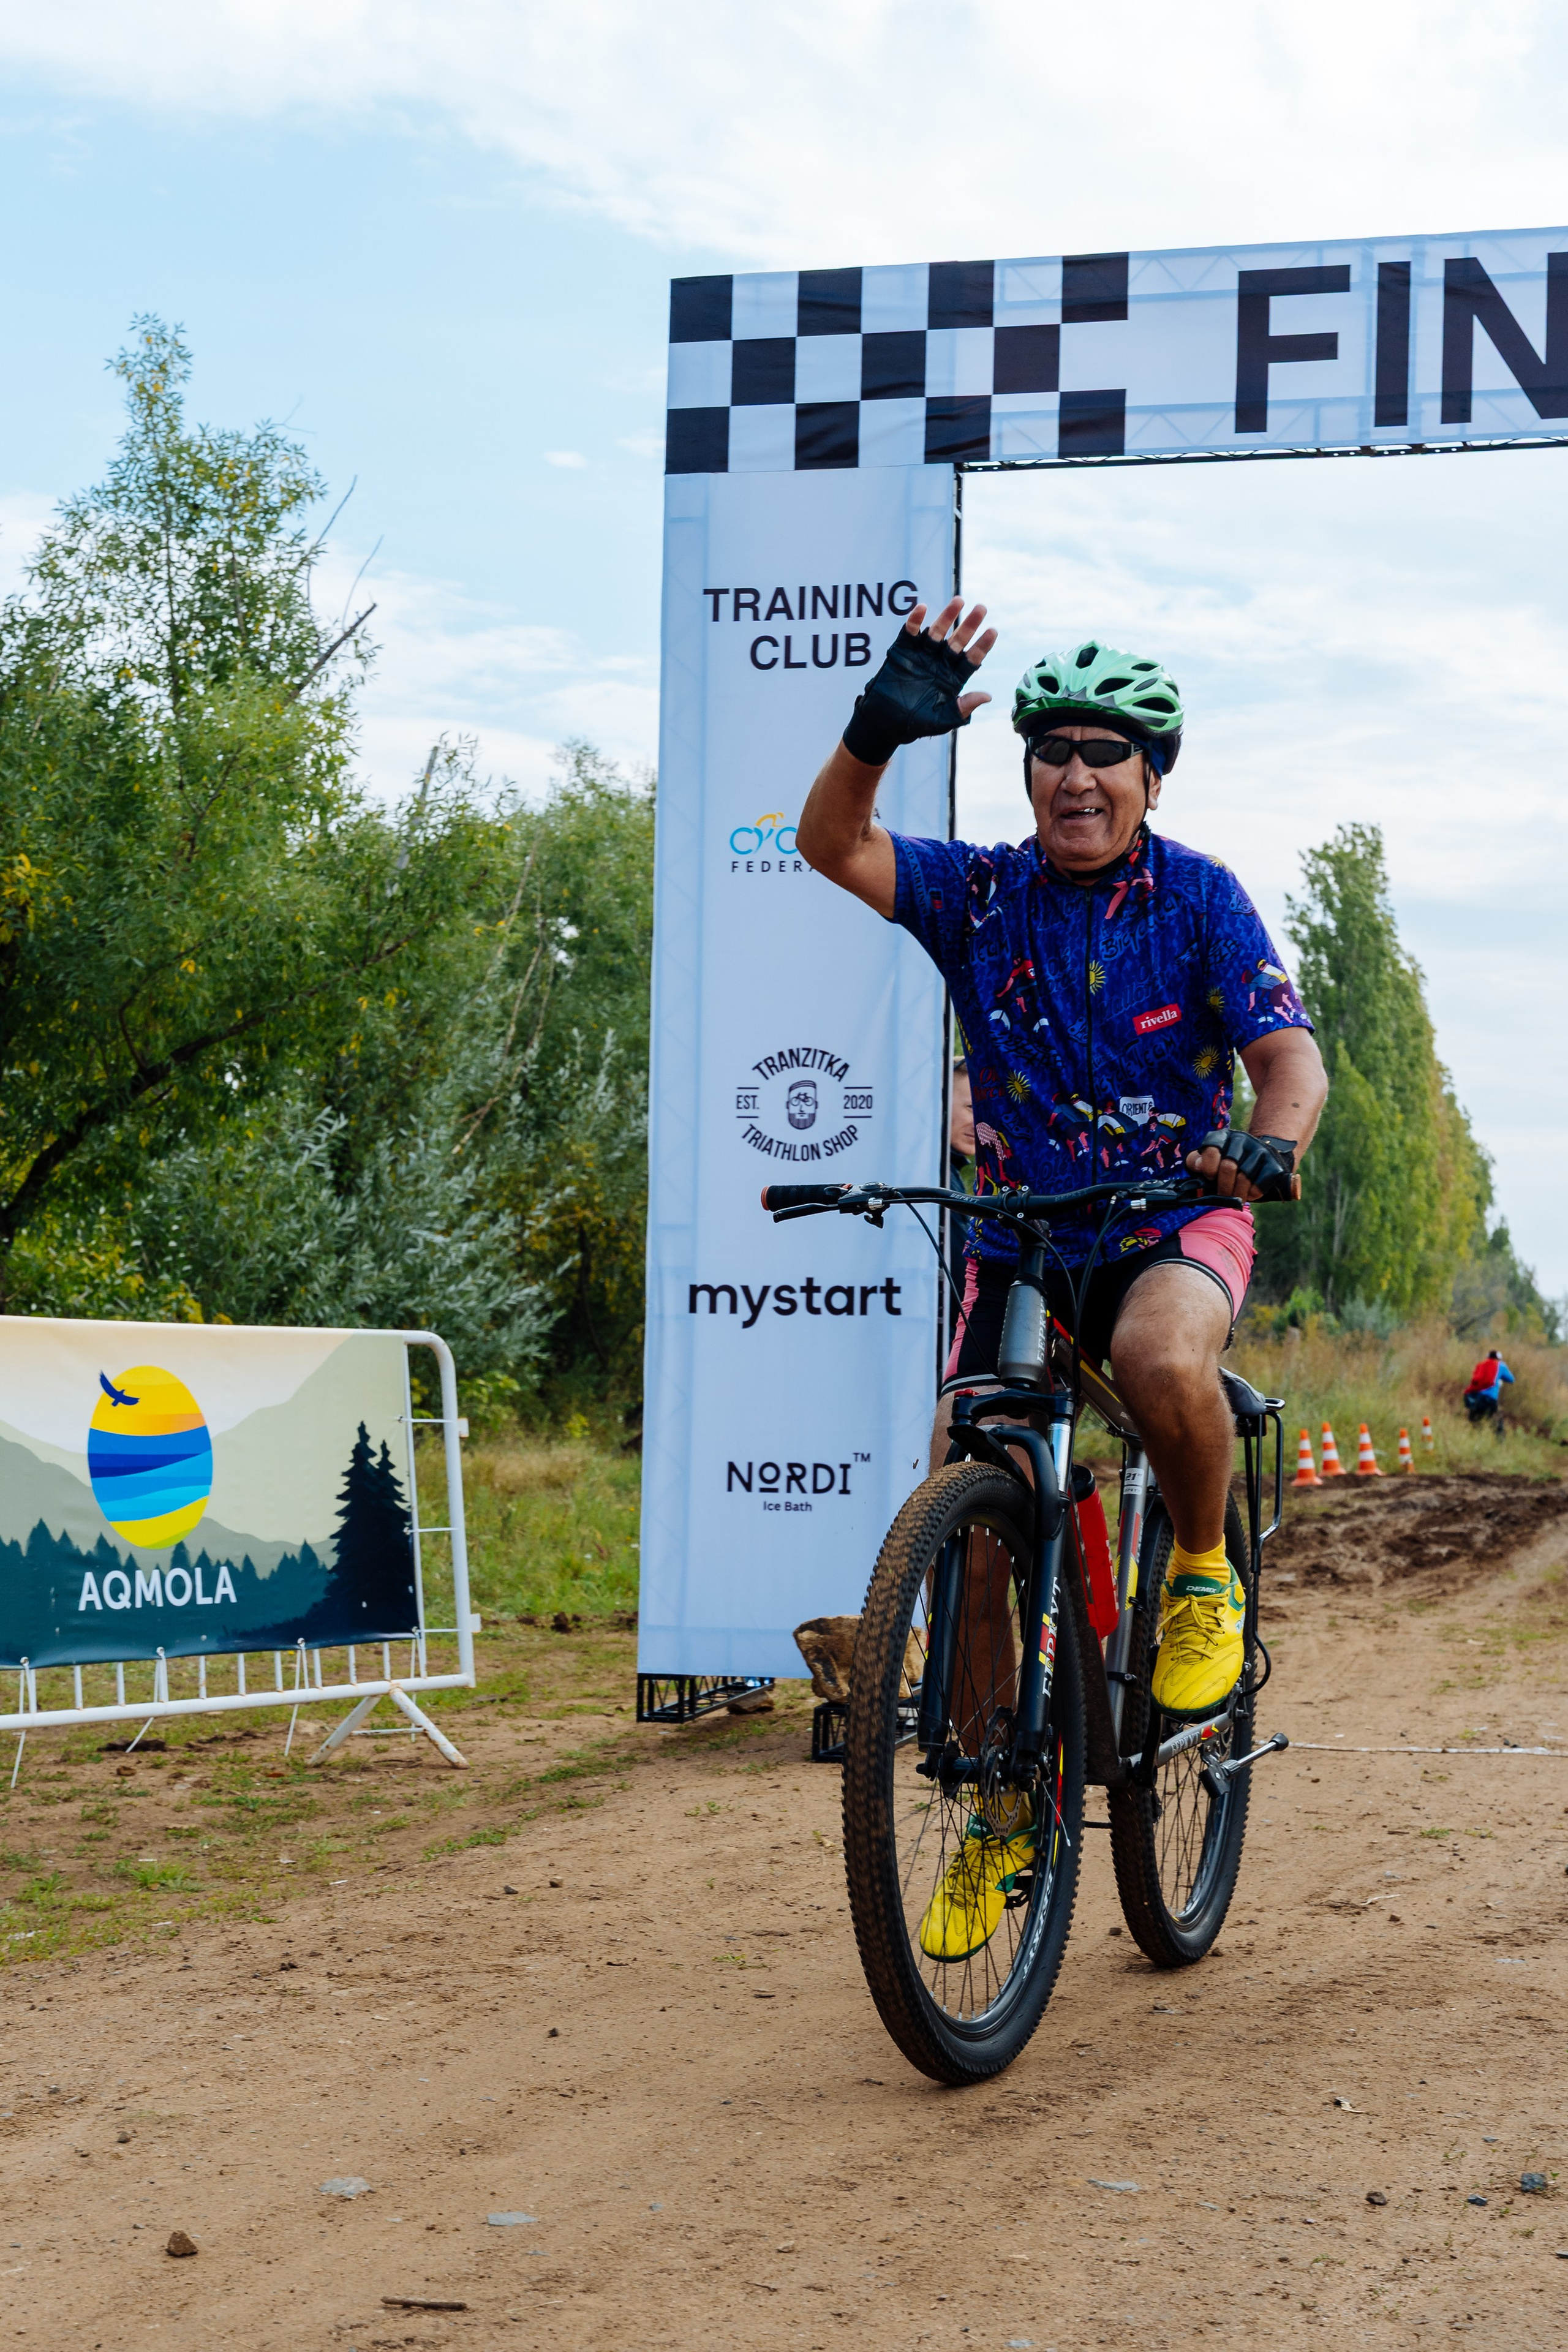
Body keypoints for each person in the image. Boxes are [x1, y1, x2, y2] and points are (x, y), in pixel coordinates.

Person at [798, 601, 1328, 1955]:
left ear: (1152, 775)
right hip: (1022, 1238)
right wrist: (873, 733)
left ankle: (1199, 1574)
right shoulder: (979, 894)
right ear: (1026, 769)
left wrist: (1266, 1147)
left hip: (1172, 1221)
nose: (1075, 775)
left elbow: (1286, 1060)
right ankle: (999, 1805)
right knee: (969, 1482)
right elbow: (833, 845)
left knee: (1156, 1361)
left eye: (1105, 752)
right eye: (1052, 751)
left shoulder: (1200, 897)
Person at [1463, 1348, 1514, 1432]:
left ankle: (1472, 1433)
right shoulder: (1501, 1366)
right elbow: (1511, 1379)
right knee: (1496, 1421)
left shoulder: (1482, 1365)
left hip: (1479, 1396)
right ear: (1499, 1358)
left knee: (1475, 1419)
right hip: (1491, 1398)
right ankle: (1499, 1439)